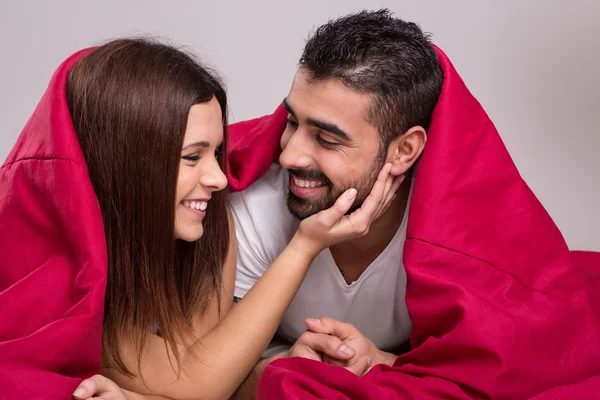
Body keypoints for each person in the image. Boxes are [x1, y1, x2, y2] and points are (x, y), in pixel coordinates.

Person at [224, 9, 600, 400]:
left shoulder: (453, 230)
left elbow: (507, 358)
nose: (289, 156)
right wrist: (278, 365)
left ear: (404, 150)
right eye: (291, 122)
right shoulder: (255, 206)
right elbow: (212, 366)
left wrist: (385, 363)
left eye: (327, 139)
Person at [0, 38, 397, 400]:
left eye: (217, 153)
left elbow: (205, 374)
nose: (220, 178)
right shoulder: (65, 272)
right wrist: (304, 246)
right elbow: (197, 385)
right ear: (123, 167)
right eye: (192, 157)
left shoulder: (209, 232)